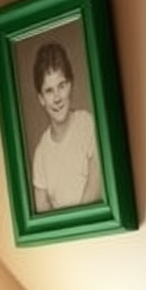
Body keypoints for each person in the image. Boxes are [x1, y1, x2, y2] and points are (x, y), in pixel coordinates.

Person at [30, 40, 102, 211]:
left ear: (70, 84)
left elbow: (95, 188)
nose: (57, 98)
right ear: (41, 98)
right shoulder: (40, 154)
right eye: (49, 91)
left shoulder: (88, 125)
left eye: (61, 86)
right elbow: (43, 211)